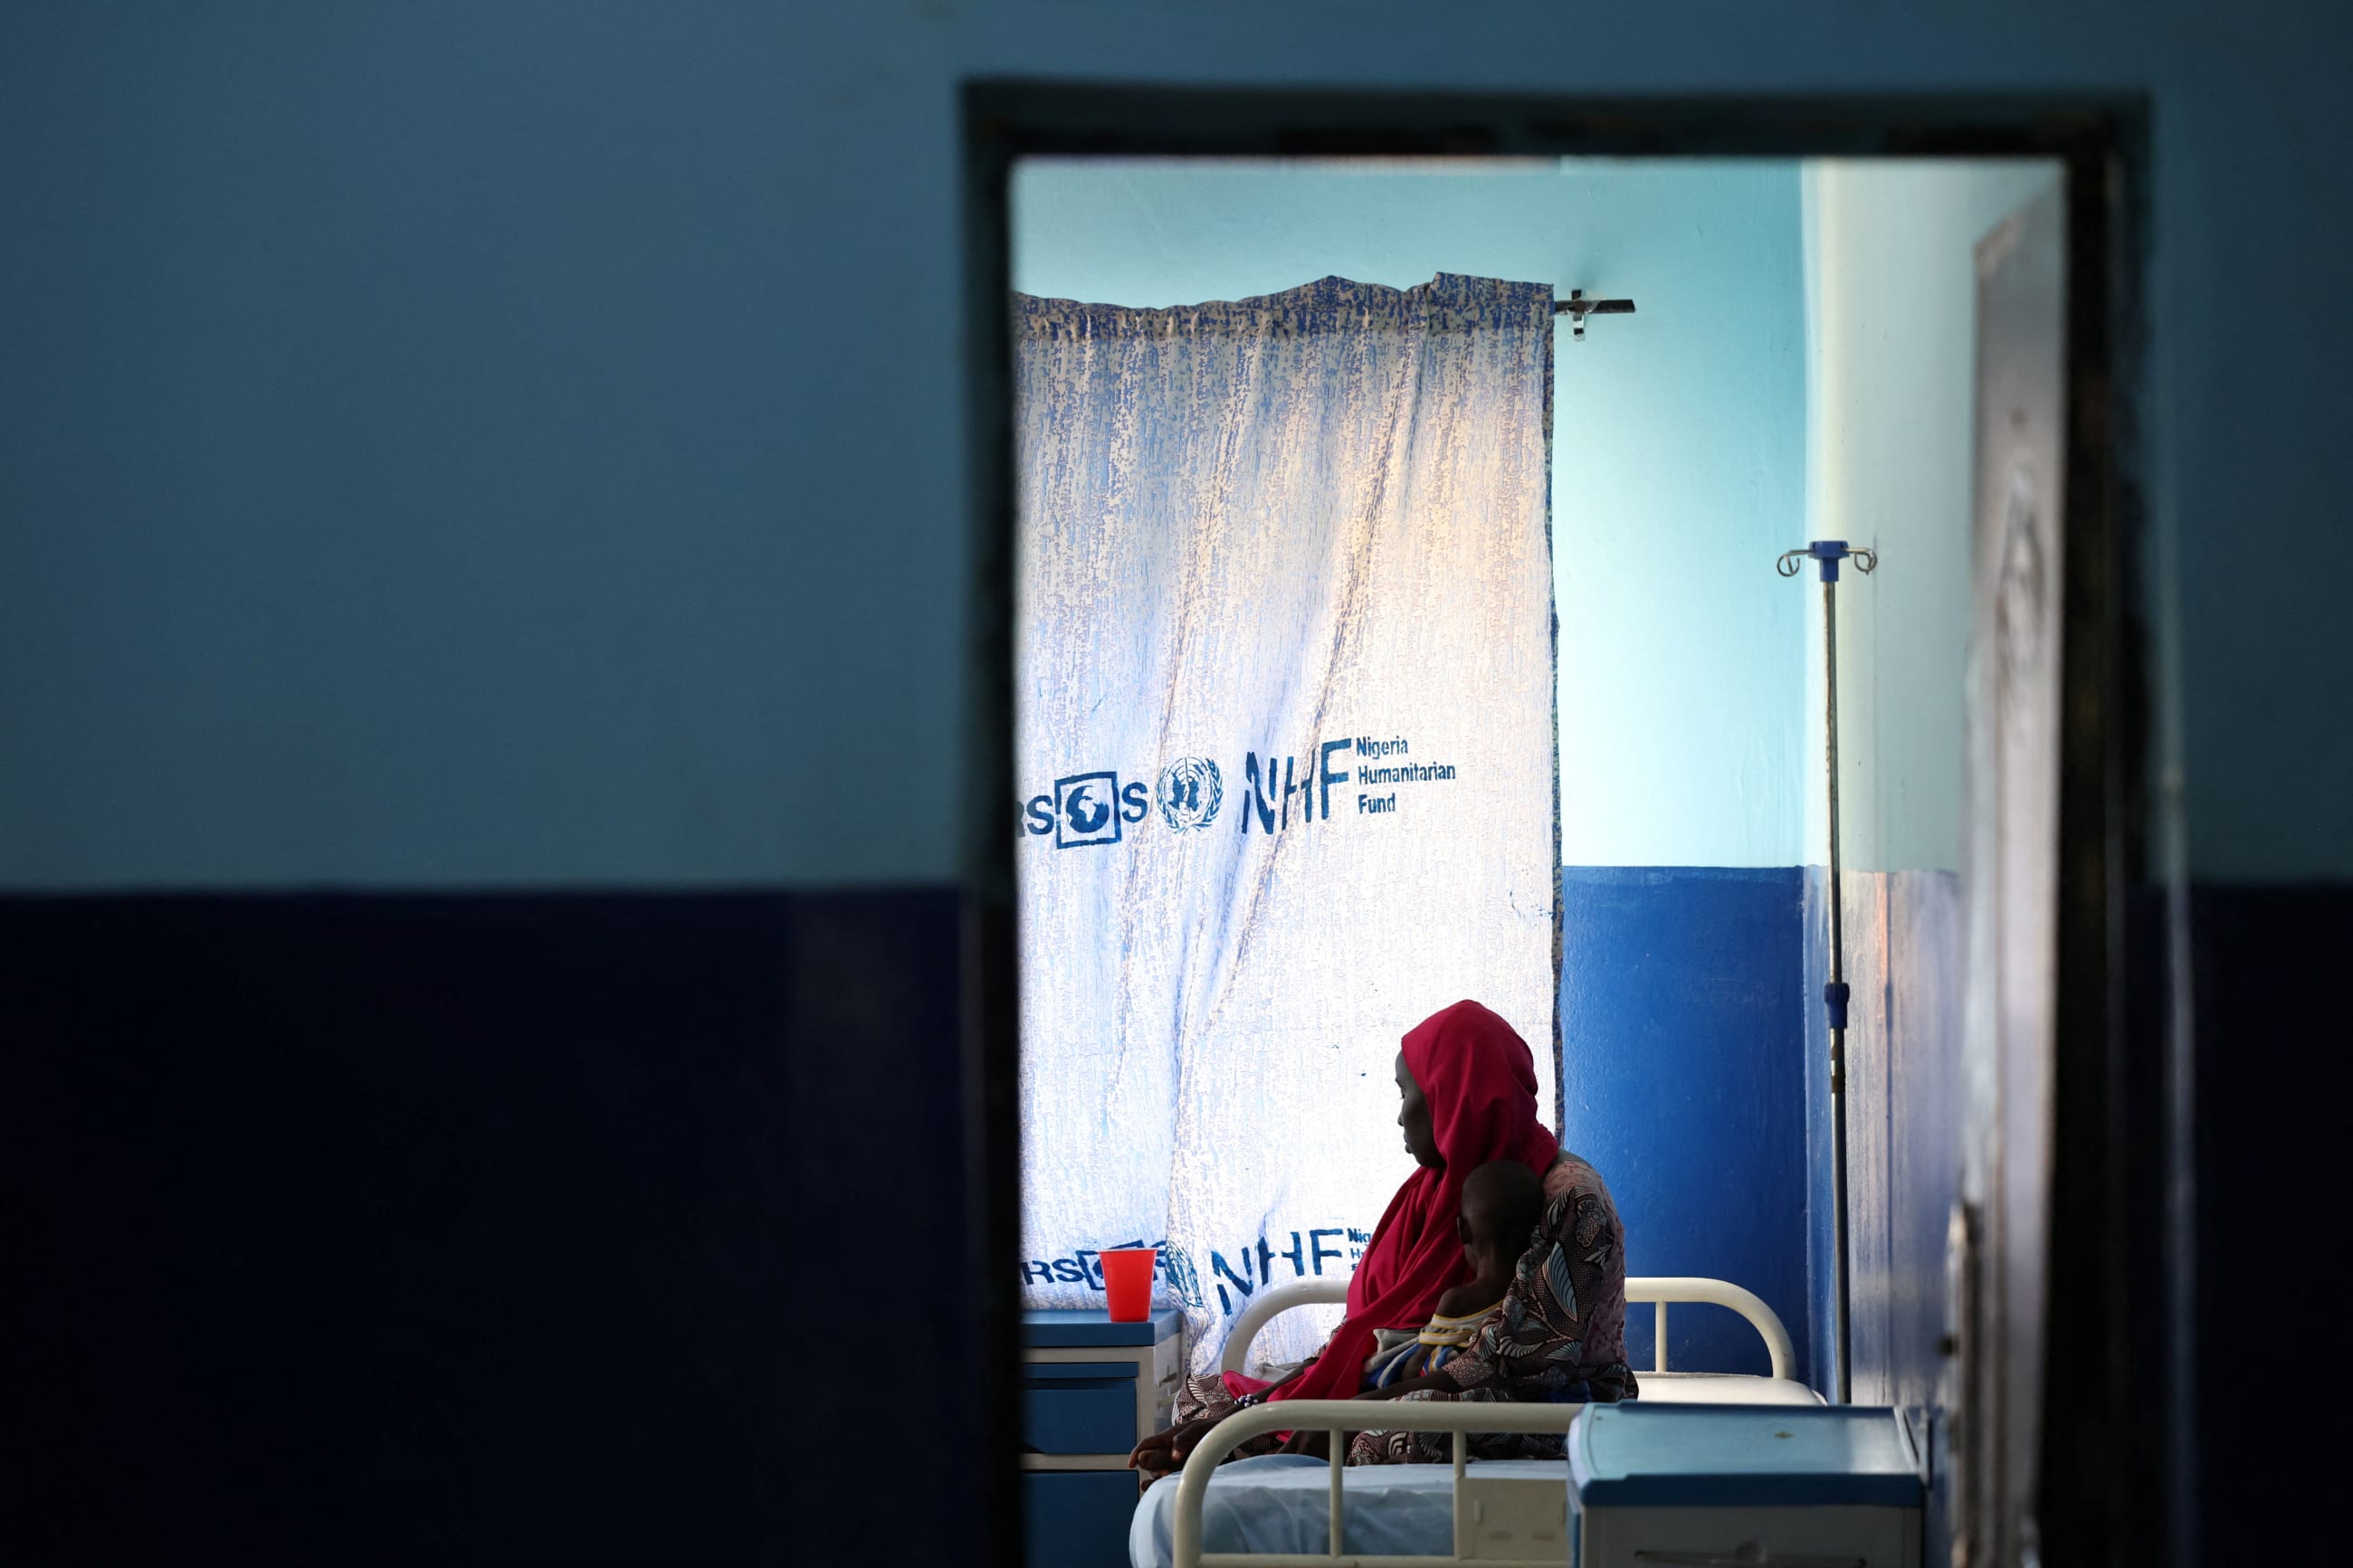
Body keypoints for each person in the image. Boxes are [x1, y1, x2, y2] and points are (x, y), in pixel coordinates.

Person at [1128, 999, 1634, 1478]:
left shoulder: (1571, 1200)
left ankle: (1279, 1450)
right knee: (1201, 1396)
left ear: (1450, 1096)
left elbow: (1517, 1363)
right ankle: (1262, 1440)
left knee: (1394, 1429)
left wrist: (1343, 1413)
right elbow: (1366, 1339)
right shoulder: (1435, 1192)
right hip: (1410, 1378)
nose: (1399, 1115)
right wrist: (1248, 1410)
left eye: (1405, 1093)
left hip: (1548, 1402)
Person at [1365, 1160, 1548, 1390]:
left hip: (1446, 1388)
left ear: (1463, 1230)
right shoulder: (1538, 1291)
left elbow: (1417, 1363)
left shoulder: (1457, 1299)